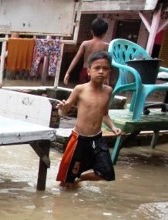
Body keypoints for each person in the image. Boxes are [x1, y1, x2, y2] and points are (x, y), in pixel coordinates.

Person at [56, 51, 121, 188]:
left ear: (109, 71)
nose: (101, 71)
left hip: (97, 139)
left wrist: (113, 127)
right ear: (89, 71)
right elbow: (62, 113)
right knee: (66, 182)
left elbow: (104, 114)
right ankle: (72, 181)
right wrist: (64, 107)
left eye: (105, 68)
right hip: (78, 139)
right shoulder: (80, 89)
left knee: (106, 173)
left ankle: (79, 179)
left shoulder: (108, 91)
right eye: (97, 68)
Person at [64, 17, 109, 85]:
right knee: (95, 93)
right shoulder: (106, 46)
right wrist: (107, 78)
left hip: (85, 71)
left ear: (92, 31)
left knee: (83, 92)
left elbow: (76, 58)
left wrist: (68, 72)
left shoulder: (85, 43)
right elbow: (107, 63)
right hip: (96, 73)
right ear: (104, 33)